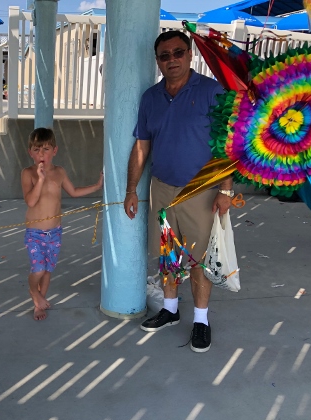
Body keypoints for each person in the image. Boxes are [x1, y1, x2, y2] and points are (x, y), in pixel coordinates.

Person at [123, 30, 233, 353]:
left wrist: (226, 190)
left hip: (201, 189)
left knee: (199, 258)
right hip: (162, 188)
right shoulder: (150, 98)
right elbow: (141, 146)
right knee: (168, 252)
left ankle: (201, 320)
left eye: (178, 52)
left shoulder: (212, 91)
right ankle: (170, 310)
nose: (172, 59)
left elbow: (228, 143)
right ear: (158, 61)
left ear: (190, 54)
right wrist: (131, 190)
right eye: (164, 56)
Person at [21, 127, 104, 321]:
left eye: (46, 149)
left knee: (47, 270)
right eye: (36, 150)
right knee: (38, 270)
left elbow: (73, 191)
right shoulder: (28, 173)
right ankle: (34, 293)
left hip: (55, 232)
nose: (41, 154)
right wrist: (40, 179)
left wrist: (97, 186)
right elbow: (31, 201)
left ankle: (39, 304)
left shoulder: (59, 172)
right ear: (30, 152)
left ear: (55, 150)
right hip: (35, 233)